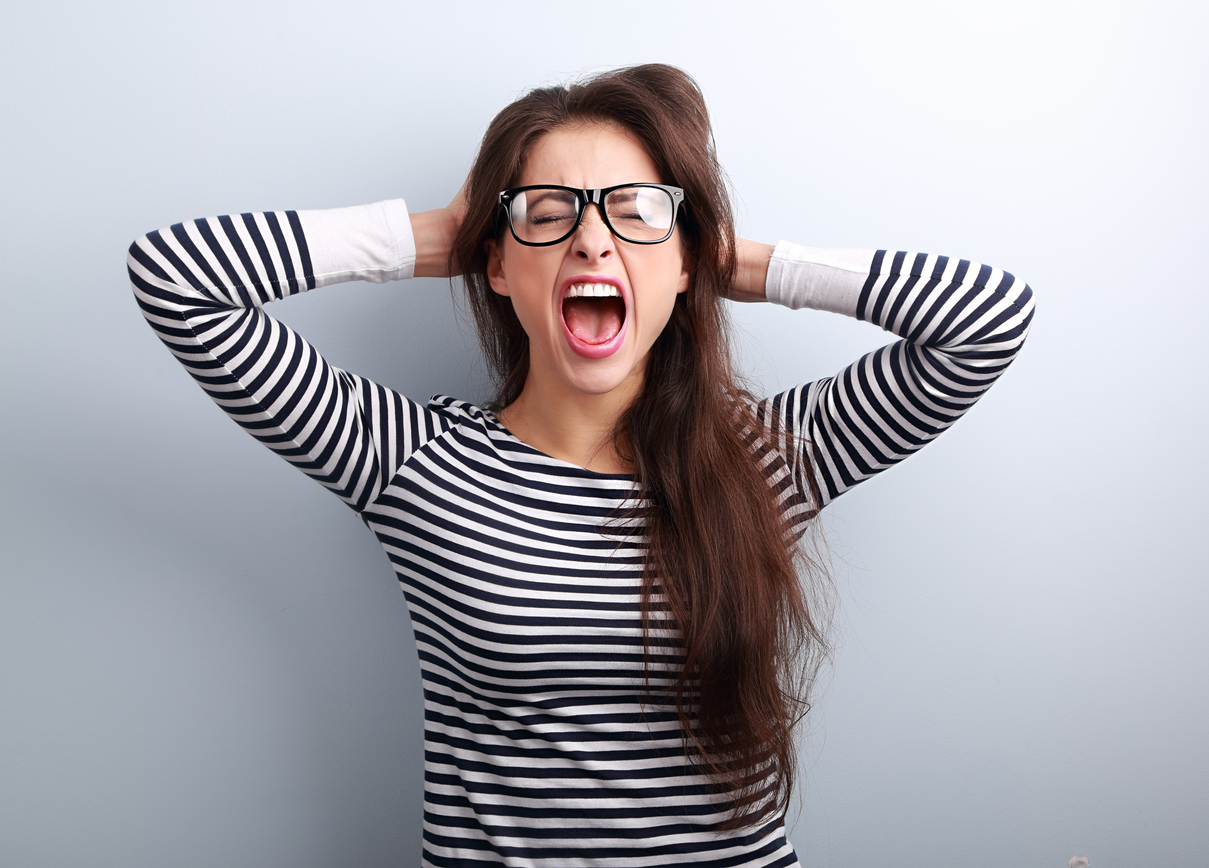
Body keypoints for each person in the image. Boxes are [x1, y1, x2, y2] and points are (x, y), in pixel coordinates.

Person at [127, 64, 1033, 868]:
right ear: (492, 265)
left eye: (636, 212)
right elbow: (177, 279)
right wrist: (437, 234)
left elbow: (985, 320)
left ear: (686, 267)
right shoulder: (411, 460)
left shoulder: (768, 461)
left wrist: (724, 257)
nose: (592, 242)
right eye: (549, 212)